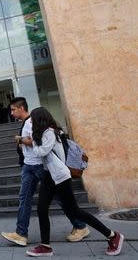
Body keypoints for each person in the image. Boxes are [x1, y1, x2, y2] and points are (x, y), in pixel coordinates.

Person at [24, 107, 124, 257]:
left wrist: (32, 140)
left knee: (74, 211)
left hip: (60, 177)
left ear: (39, 119)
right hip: (48, 175)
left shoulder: (49, 133)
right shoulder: (44, 134)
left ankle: (112, 235)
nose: (31, 122)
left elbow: (40, 152)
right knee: (41, 209)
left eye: (32, 119)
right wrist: (34, 139)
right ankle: (45, 246)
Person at [1, 97, 88, 246]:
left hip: (39, 165)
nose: (12, 112)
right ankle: (21, 233)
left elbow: (36, 140)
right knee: (24, 198)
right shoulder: (25, 122)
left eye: (13, 109)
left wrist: (20, 140)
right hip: (29, 165)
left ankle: (80, 226)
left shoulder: (31, 122)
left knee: (59, 197)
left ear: (21, 108)